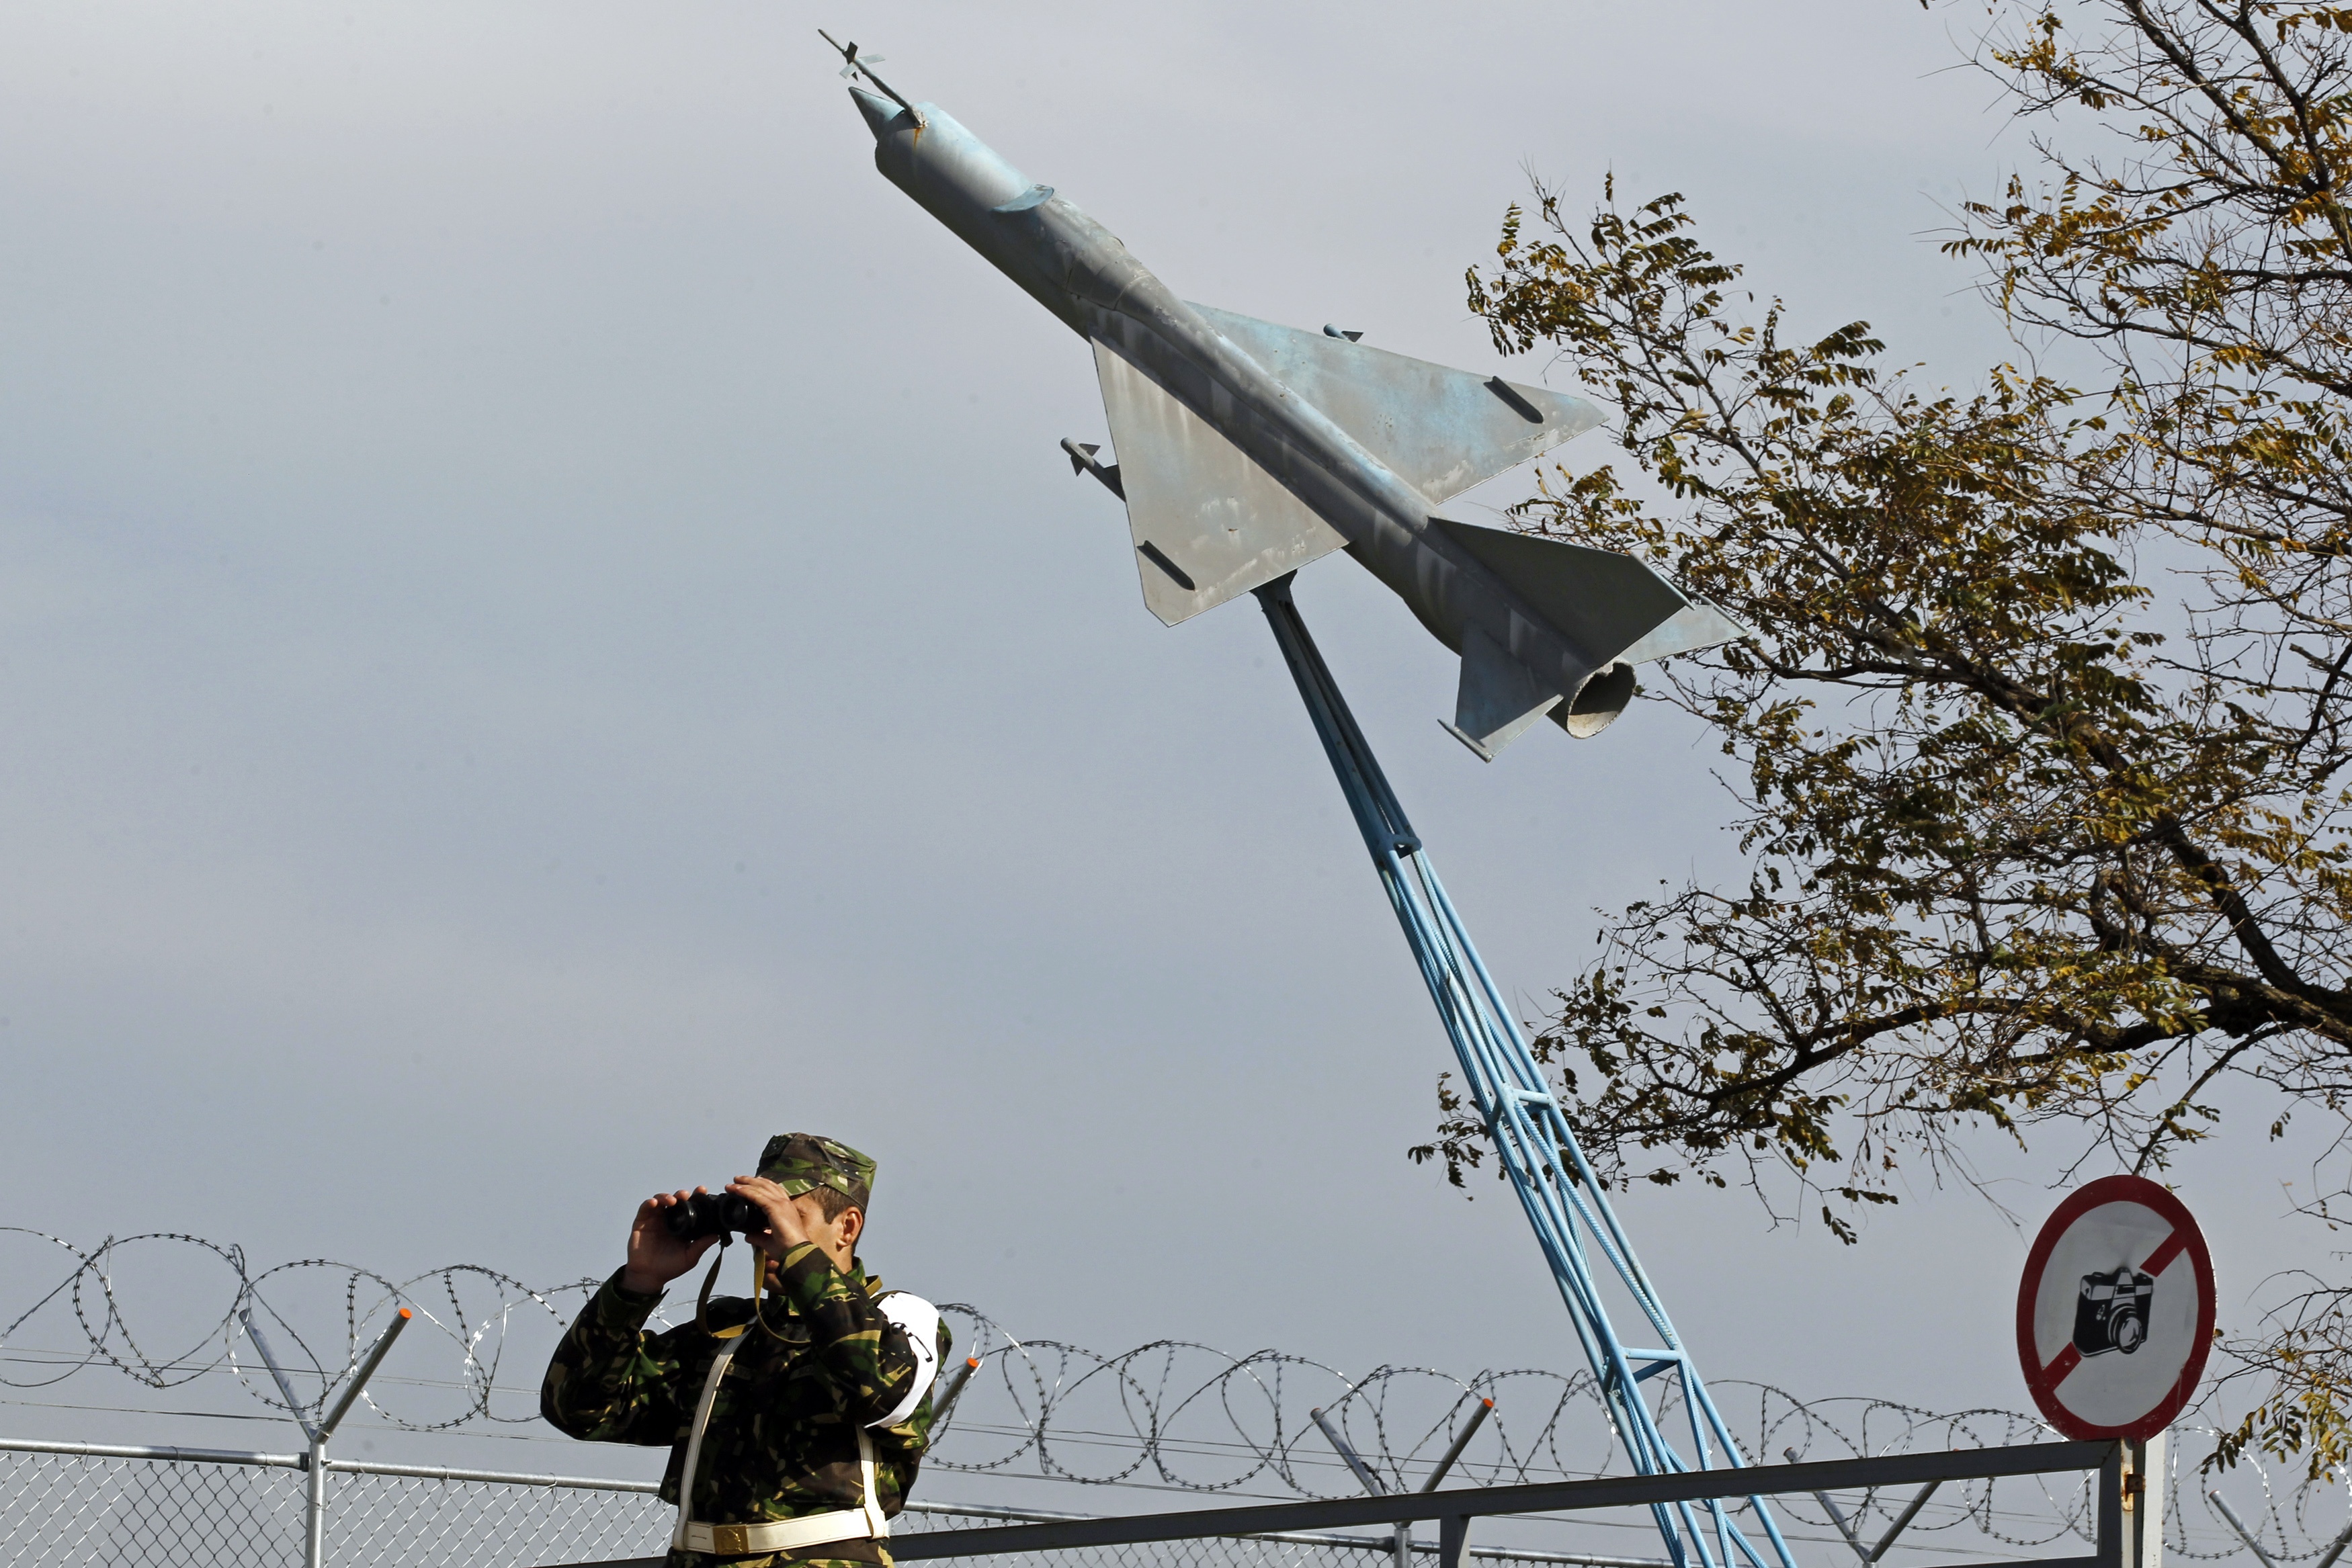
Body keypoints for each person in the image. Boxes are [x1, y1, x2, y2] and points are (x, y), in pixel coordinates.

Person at [542, 1133, 950, 1567]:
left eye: (789, 1215)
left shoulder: (896, 1318)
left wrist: (799, 1256)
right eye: (759, 1217)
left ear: (847, 1226)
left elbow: (879, 1392)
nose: (764, 1235)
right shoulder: (727, 1333)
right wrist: (637, 1285)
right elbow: (579, 1409)